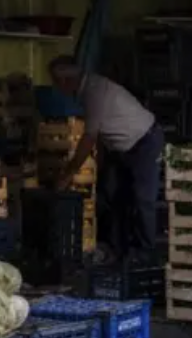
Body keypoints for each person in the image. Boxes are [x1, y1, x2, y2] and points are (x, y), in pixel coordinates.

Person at [48, 56, 164, 265]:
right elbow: (100, 135)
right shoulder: (85, 92)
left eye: (56, 82)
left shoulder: (94, 91)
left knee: (142, 199)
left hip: (145, 142)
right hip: (122, 149)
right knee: (115, 197)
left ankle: (146, 254)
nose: (57, 87)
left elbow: (90, 136)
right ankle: (119, 252)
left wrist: (68, 173)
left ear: (65, 81)